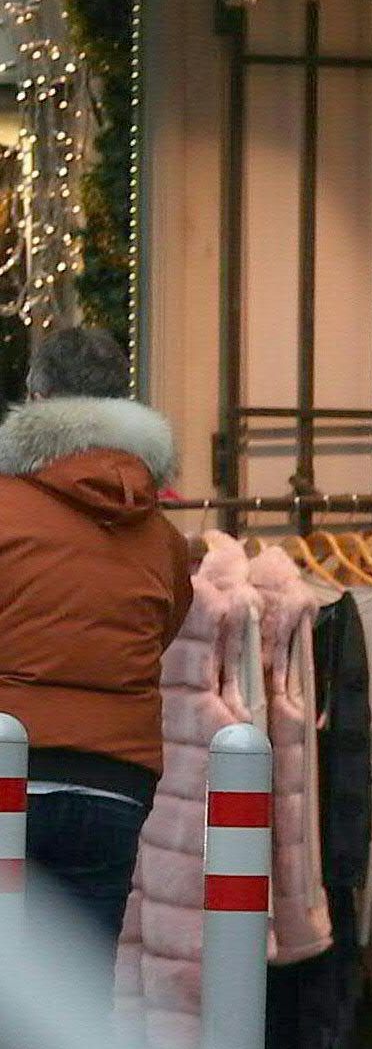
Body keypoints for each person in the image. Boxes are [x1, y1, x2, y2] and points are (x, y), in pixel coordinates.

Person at [0, 327, 193, 948]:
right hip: (114, 778)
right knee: (78, 1001)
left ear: (34, 397)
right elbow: (162, 631)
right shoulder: (161, 535)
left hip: (9, 765)